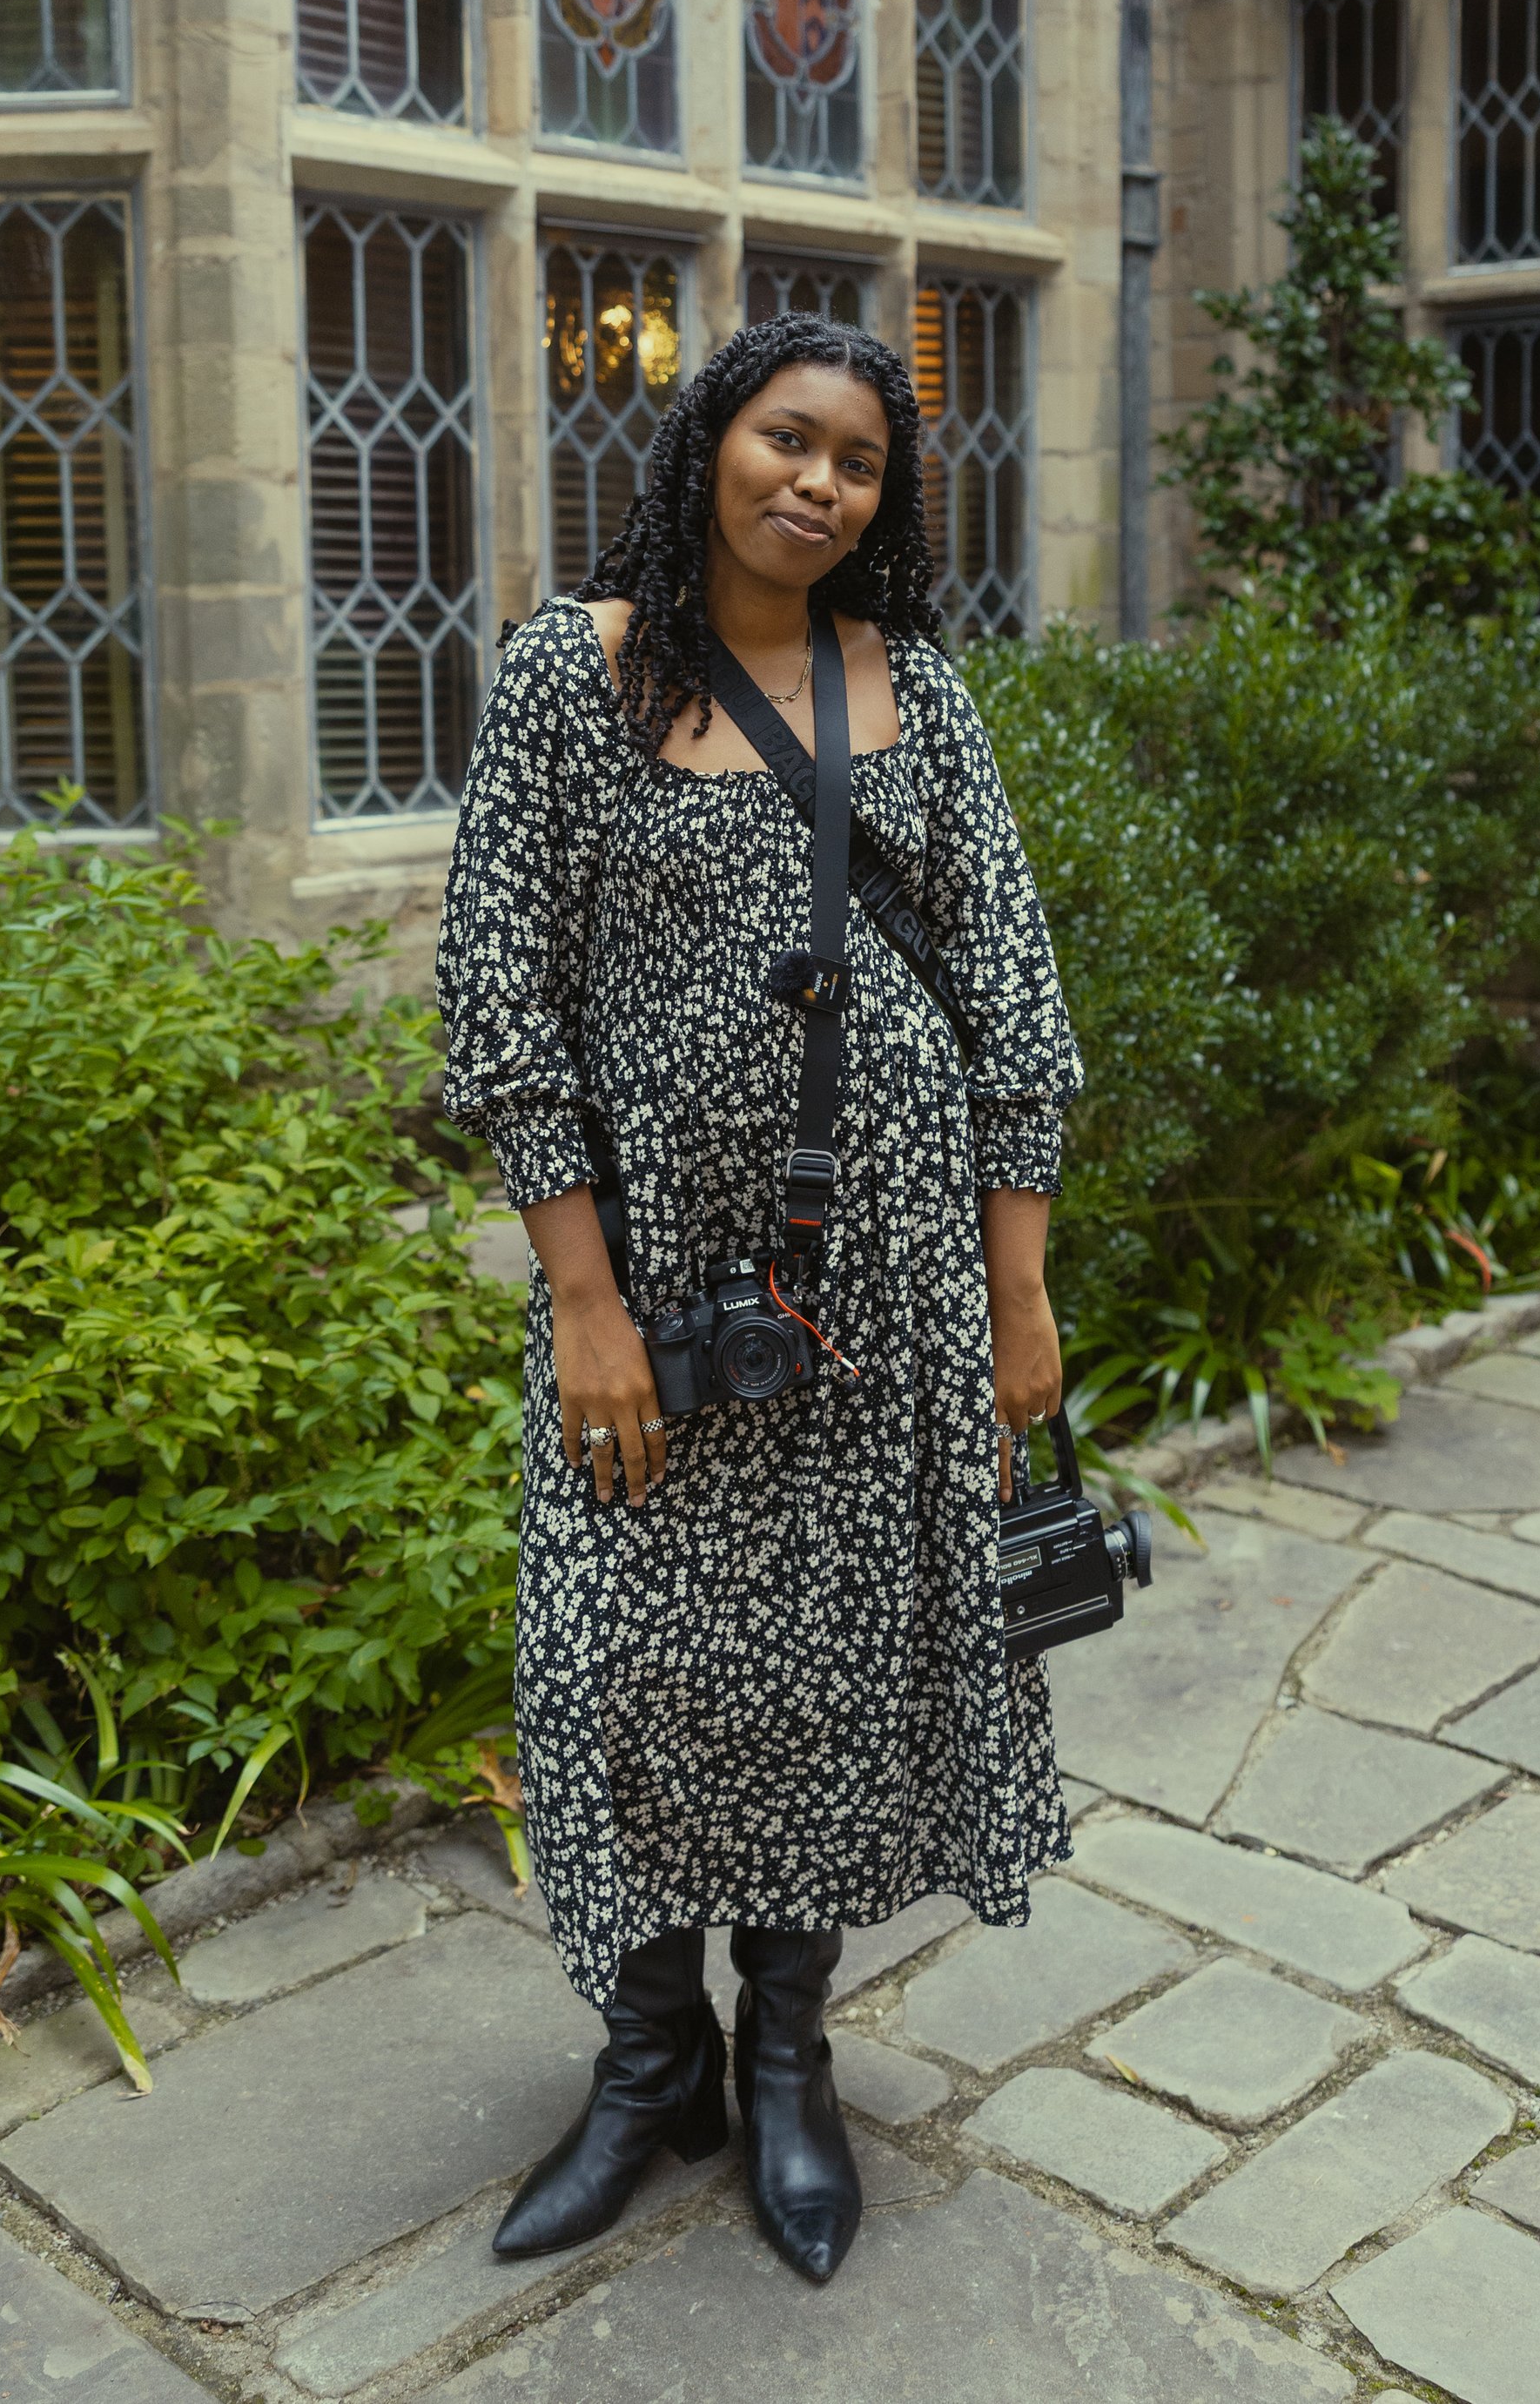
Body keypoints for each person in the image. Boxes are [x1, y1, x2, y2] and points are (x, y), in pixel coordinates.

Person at [435, 313, 1084, 2287]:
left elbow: (1012, 996)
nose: (818, 483)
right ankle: (652, 2068)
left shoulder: (917, 690)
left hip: (891, 1292)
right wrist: (581, 1300)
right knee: (615, 1657)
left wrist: (1021, 1291)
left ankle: (785, 2059)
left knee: (824, 1677)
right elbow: (499, 999)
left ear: (887, 499)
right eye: (787, 439)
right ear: (709, 437)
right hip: (650, 1288)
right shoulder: (572, 672)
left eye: (858, 462)